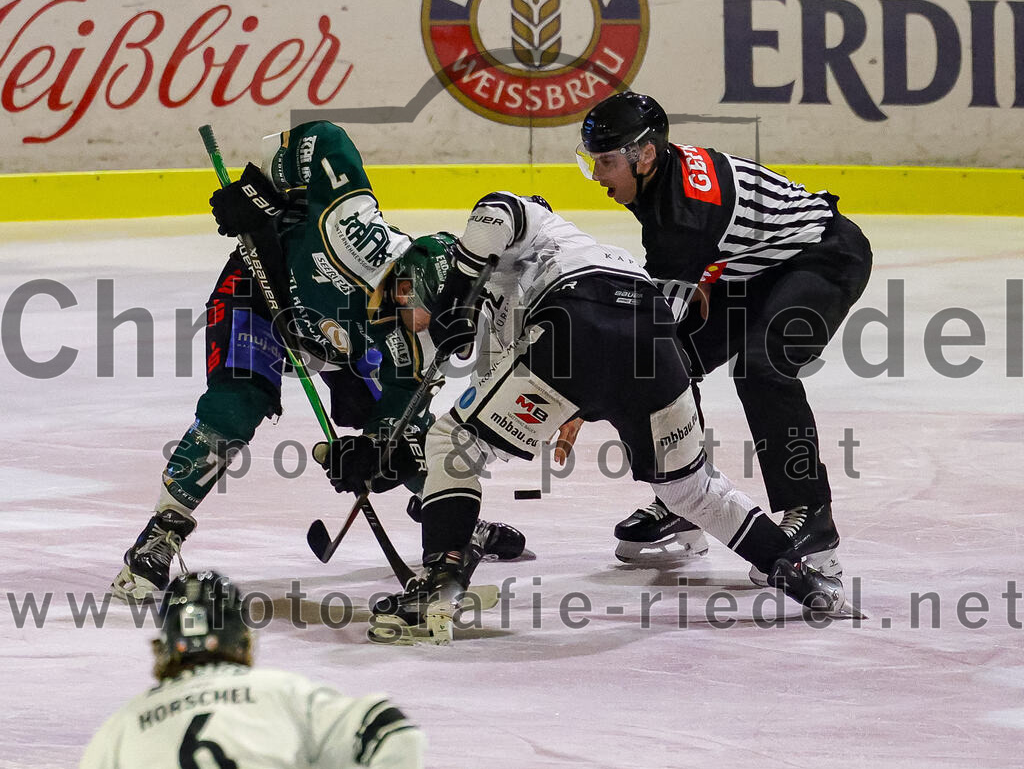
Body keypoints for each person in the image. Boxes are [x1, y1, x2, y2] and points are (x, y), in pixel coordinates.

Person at [322, 190, 847, 645]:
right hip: (654, 343)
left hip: (579, 314)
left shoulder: (539, 228)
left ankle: (441, 582)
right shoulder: (513, 314)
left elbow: (498, 209)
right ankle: (800, 574)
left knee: (453, 443)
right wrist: (387, 452)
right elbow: (498, 401)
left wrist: (456, 298)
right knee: (690, 490)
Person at [110, 122, 523, 603]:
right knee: (238, 403)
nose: (427, 325)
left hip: (335, 336)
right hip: (259, 297)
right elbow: (323, 137)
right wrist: (262, 193)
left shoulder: (424, 334)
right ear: (405, 283)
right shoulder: (346, 233)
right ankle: (162, 532)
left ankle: (446, 515)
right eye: (425, 310)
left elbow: (401, 415)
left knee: (398, 433)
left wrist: (370, 453)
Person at [575, 92, 873, 583]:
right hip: (754, 265)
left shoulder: (683, 215)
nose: (598, 176)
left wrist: (581, 401)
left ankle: (812, 518)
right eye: (592, 162)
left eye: (605, 162)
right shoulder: (658, 180)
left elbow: (652, 327)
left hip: (824, 256)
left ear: (644, 155)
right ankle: (686, 497)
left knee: (762, 368)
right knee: (669, 362)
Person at [81, 570, 425, 769]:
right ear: (245, 639)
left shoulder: (121, 728)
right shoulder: (282, 694)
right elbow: (392, 729)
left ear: (164, 646)